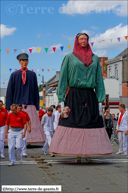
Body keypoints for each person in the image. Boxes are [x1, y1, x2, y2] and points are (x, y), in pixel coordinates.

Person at [49, 32, 113, 159]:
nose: (83, 41)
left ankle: (90, 152)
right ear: (77, 41)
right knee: (73, 121)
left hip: (90, 95)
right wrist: (61, 99)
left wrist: (100, 100)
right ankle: (75, 152)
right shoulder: (69, 57)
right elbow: (63, 79)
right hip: (74, 93)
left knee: (91, 122)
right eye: (81, 39)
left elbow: (99, 80)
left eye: (85, 39)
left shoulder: (95, 58)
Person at [5, 53, 45, 144]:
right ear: (19, 62)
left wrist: (37, 107)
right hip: (16, 104)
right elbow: (9, 91)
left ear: (28, 62)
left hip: (30, 104)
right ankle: (14, 140)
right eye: (22, 61)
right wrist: (8, 107)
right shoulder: (14, 74)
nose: (24, 62)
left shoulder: (33, 74)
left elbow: (35, 91)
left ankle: (29, 140)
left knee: (30, 122)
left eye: (26, 61)